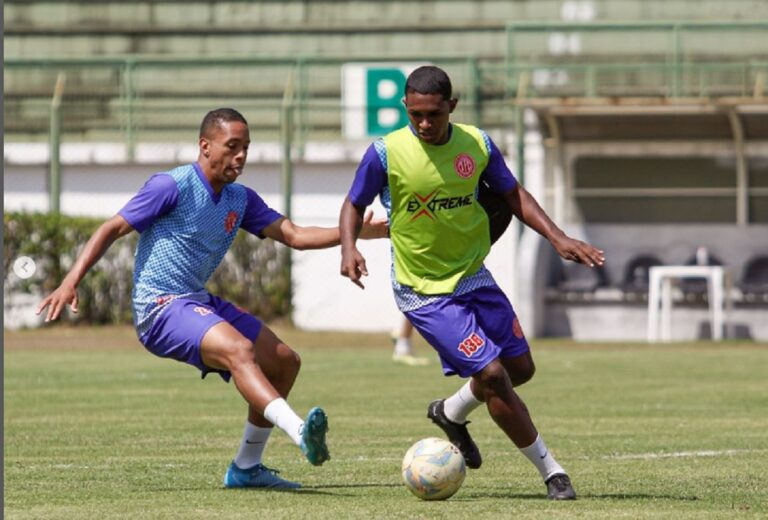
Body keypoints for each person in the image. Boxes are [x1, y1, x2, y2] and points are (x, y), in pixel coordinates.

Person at [37, 108, 388, 490]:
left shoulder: (240, 199)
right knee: (239, 350)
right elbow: (112, 227)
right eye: (232, 146)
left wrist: (355, 234)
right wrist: (70, 281)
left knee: (285, 361)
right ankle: (300, 430)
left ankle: (246, 468)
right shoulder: (171, 186)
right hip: (160, 307)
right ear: (205, 146)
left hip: (197, 301)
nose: (240, 156)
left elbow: (296, 235)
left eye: (246, 148)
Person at [339, 66, 605, 500]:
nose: (424, 124)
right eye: (416, 115)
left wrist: (558, 237)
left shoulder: (476, 144)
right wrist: (349, 248)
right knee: (494, 374)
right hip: (422, 290)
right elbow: (353, 204)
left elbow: (512, 194)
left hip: (473, 275)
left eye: (434, 115)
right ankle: (552, 472)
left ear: (452, 107)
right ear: (405, 107)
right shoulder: (386, 153)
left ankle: (450, 411)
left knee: (521, 370)